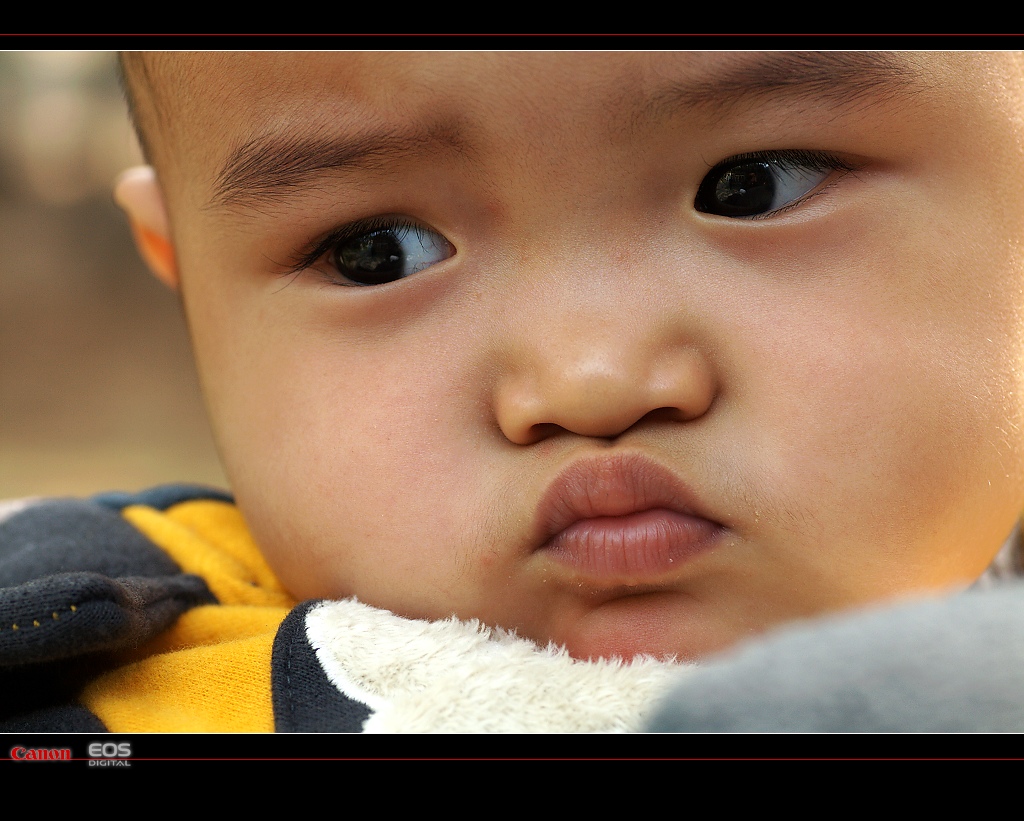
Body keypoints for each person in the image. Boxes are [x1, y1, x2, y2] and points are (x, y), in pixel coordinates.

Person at [3, 50, 1024, 733]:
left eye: (752, 183)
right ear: (183, 272)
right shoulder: (96, 664)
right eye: (377, 253)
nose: (589, 382)